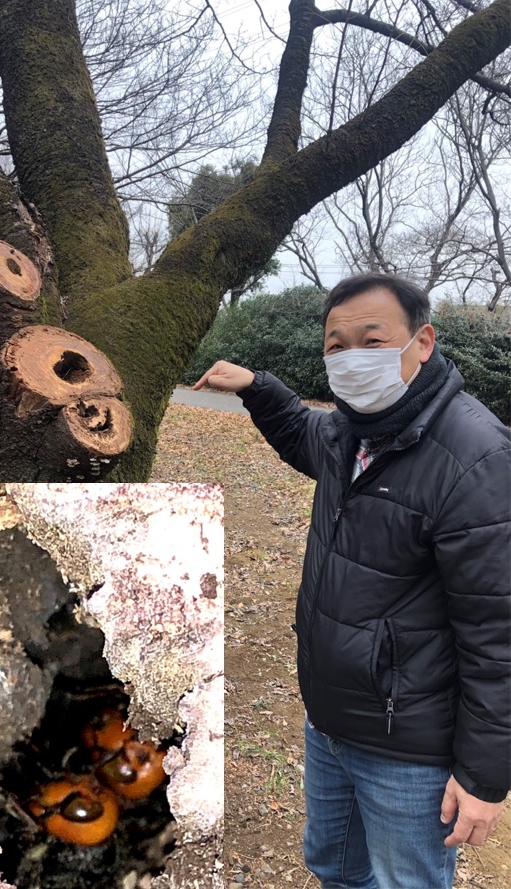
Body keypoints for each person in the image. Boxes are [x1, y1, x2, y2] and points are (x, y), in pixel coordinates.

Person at [194, 273, 510, 889]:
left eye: (371, 339)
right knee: (334, 867)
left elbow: (498, 635)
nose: (351, 357)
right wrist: (259, 387)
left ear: (422, 341)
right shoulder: (351, 430)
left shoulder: (476, 458)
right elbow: (303, 432)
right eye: (336, 346)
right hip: (331, 720)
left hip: (409, 745)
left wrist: (483, 778)